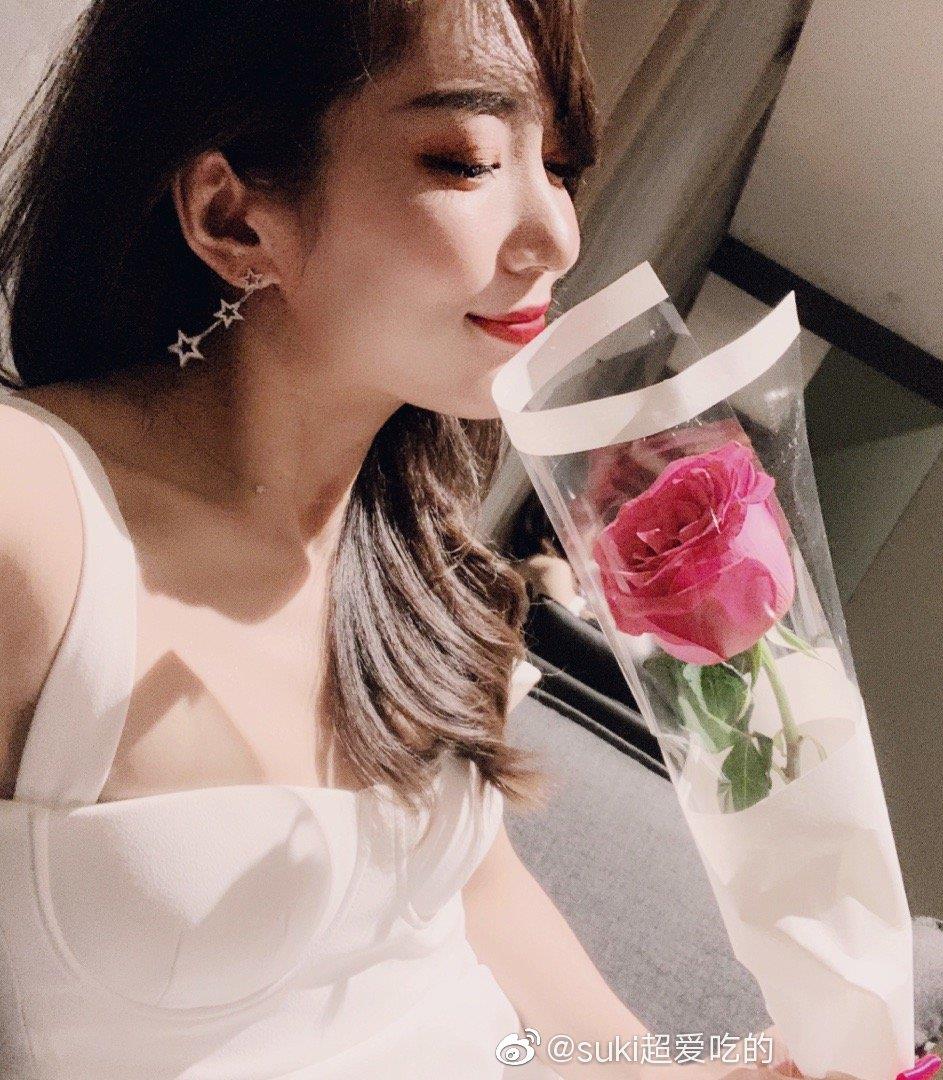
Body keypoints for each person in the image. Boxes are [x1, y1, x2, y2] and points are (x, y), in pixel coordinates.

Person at [0, 1, 808, 1076]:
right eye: (467, 160)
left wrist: (710, 1070)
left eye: (558, 166)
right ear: (234, 216)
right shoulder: (36, 522)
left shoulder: (431, 590)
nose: (558, 234)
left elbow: (477, 906)